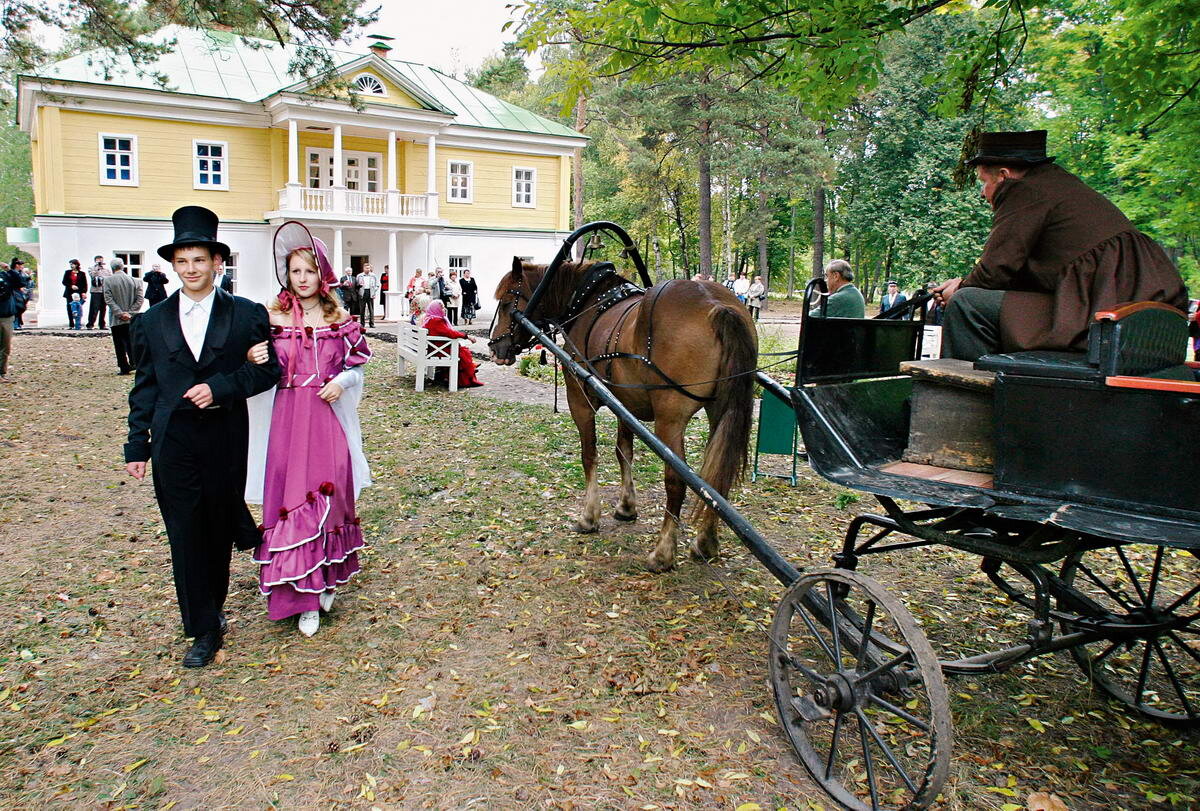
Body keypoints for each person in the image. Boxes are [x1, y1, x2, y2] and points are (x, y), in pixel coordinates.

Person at [123, 205, 280, 668]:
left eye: (200, 260)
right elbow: (145, 386)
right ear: (174, 265)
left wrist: (222, 387)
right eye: (183, 261)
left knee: (214, 530)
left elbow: (267, 371)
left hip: (225, 439)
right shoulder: (151, 322)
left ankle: (216, 603)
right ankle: (203, 626)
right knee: (185, 534)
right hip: (173, 443)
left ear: (217, 263)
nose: (191, 269)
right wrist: (137, 444)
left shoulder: (247, 315)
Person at [933, 130, 1188, 361]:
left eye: (983, 182)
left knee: (967, 304)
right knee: (974, 298)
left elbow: (995, 270)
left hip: (1106, 310)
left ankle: (965, 404)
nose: (982, 193)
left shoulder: (1023, 190)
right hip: (1140, 305)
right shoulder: (1055, 184)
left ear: (1003, 175)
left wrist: (960, 288)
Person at [244, 222, 371, 638]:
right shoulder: (270, 317)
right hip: (287, 417)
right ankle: (302, 597)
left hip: (325, 417)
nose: (302, 279)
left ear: (323, 274)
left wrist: (342, 382)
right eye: (295, 271)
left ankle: (325, 578)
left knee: (330, 498)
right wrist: (252, 353)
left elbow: (357, 365)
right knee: (290, 500)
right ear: (287, 274)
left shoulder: (341, 318)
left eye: (309, 271)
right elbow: (253, 364)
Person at [421, 299, 483, 388]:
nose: (444, 309)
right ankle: (465, 378)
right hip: (440, 351)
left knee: (462, 351)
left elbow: (446, 332)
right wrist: (467, 336)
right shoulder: (436, 321)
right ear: (436, 309)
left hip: (436, 348)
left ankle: (469, 367)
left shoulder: (429, 319)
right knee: (463, 353)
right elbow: (450, 333)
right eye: (441, 308)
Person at [104, 259, 144, 375]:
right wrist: (130, 313)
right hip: (131, 318)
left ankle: (123, 366)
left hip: (116, 319)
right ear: (123, 267)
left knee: (119, 344)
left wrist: (120, 313)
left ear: (112, 268)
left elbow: (108, 299)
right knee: (131, 340)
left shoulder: (108, 281)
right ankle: (134, 362)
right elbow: (140, 299)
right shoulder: (135, 281)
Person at [0, 261, 25, 382]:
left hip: (6, 315)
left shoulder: (6, 276)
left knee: (5, 346)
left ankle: (1, 373)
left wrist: (9, 270)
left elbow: (21, 282)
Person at [87, 255, 111, 329]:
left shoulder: (107, 270)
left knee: (103, 308)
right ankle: (90, 324)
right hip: (95, 291)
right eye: (98, 260)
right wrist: (97, 268)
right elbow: (93, 275)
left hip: (104, 290)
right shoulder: (91, 268)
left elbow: (109, 278)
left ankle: (102, 324)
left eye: (101, 260)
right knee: (94, 308)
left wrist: (102, 278)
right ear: (95, 261)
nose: (100, 261)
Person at [10, 259, 32, 329]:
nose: (22, 267)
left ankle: (17, 323)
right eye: (21, 265)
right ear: (17, 265)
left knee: (20, 308)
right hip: (14, 292)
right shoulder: (12, 273)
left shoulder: (20, 273)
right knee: (17, 308)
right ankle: (15, 324)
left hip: (19, 292)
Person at [357, 263, 378, 328]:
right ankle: (362, 324)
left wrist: (374, 292)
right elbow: (356, 285)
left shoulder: (373, 275)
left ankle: (371, 323)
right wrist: (359, 292)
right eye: (366, 268)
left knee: (371, 309)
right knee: (362, 309)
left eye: (369, 268)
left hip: (370, 292)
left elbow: (377, 285)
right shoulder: (359, 276)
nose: (368, 269)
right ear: (364, 268)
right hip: (362, 293)